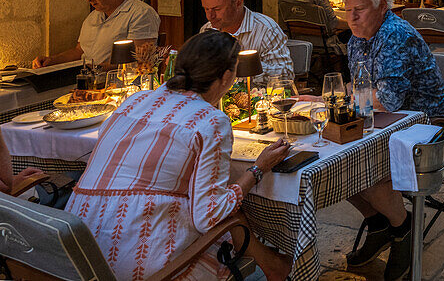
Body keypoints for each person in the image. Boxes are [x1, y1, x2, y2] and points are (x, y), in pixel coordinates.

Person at [70, 30, 292, 281]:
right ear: (228, 76)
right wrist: (258, 169)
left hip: (83, 252)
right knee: (225, 211)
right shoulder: (211, 121)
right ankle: (273, 266)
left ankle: (271, 264)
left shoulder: (134, 101)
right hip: (141, 261)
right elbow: (209, 215)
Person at [342, 0, 444, 277]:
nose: (350, 17)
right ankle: (379, 225)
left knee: (365, 168)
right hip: (384, 123)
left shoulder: (395, 34)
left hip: (427, 125)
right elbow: (361, 93)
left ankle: (403, 228)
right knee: (335, 167)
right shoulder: (357, 38)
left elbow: (388, 99)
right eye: (347, 9)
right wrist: (355, 95)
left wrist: (354, 94)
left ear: (381, 7)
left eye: (359, 9)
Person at [33, 0, 159, 68]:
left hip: (115, 83)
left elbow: (139, 60)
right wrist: (52, 60)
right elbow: (80, 51)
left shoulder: (141, 14)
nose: (89, 0)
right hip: (87, 77)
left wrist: (97, 69)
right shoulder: (94, 16)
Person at [201, 0, 294, 79]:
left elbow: (286, 76)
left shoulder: (266, 30)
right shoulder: (207, 30)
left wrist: (242, 66)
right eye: (206, 9)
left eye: (217, 9)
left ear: (238, 2)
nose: (210, 16)